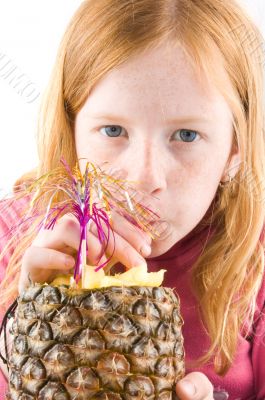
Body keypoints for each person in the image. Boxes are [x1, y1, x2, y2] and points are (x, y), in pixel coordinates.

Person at [0, 0, 265, 398]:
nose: (145, 179)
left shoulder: (256, 265)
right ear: (72, 129)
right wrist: (23, 329)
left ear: (235, 150)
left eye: (186, 135)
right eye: (112, 130)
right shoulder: (13, 234)